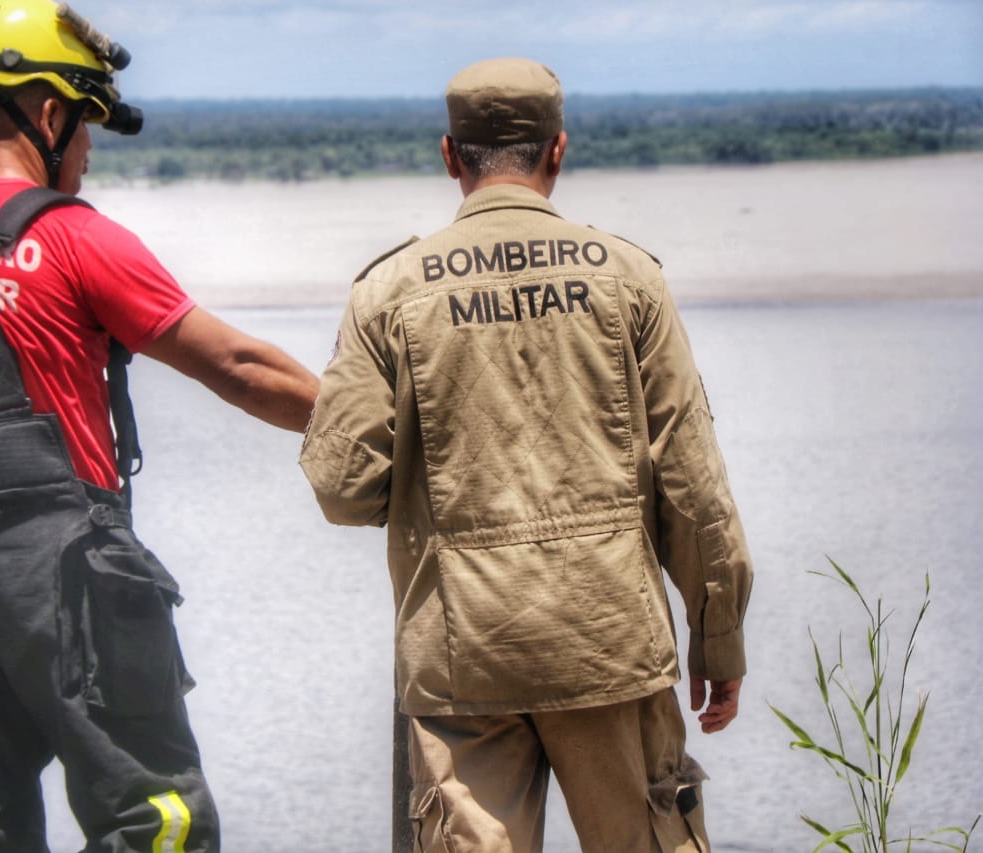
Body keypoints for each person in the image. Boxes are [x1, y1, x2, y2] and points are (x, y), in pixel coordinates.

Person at [0, 1, 318, 850]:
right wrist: (378, 425)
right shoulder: (74, 238)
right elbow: (239, 368)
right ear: (52, 113)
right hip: (65, 582)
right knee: (156, 820)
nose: (91, 151)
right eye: (89, 126)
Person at [299, 57, 753, 852]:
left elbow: (343, 487)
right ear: (558, 150)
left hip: (458, 659)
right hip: (611, 643)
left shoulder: (386, 292)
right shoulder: (630, 278)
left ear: (450, 155)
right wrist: (717, 635)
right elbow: (692, 483)